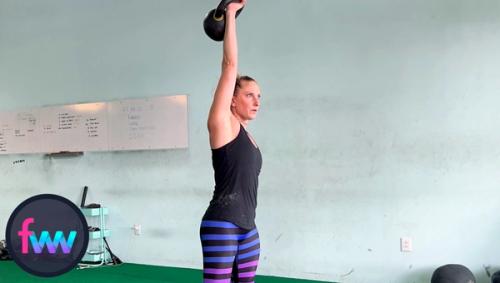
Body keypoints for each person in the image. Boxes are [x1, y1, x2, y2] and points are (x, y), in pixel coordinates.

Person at [200, 0, 263, 282]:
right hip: (222, 223)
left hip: (248, 227)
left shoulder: (250, 138)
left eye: (259, 96)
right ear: (233, 99)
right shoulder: (222, 125)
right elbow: (230, 65)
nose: (257, 101)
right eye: (249, 94)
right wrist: (231, 15)